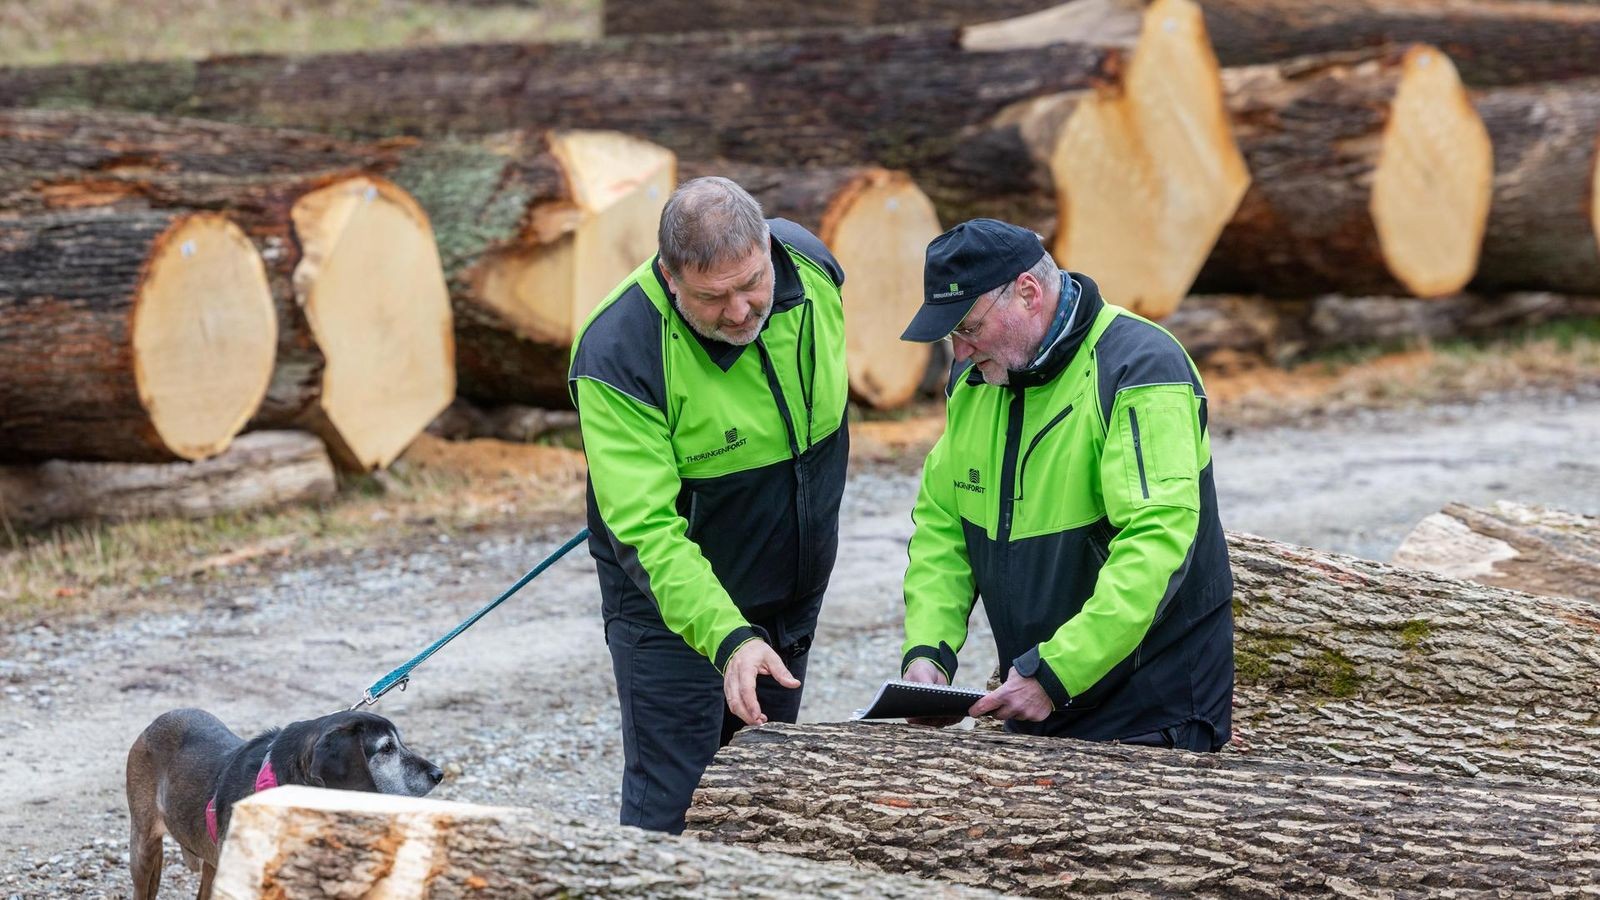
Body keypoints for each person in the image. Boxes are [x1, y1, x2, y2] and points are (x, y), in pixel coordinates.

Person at [567, 177, 849, 832]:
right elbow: (647, 533)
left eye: (751, 284)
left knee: (765, 805)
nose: (741, 311)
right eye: (712, 297)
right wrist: (728, 640)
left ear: (767, 249)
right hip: (673, 618)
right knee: (676, 807)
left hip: (787, 595)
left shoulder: (809, 264)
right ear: (669, 277)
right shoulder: (619, 351)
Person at [896, 218, 1233, 750]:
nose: (959, 353)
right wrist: (926, 655)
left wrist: (1055, 674)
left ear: (1028, 293)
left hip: (1151, 713)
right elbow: (945, 527)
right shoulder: (978, 378)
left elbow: (1156, 542)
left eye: (968, 327)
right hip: (1042, 699)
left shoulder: (1141, 367)